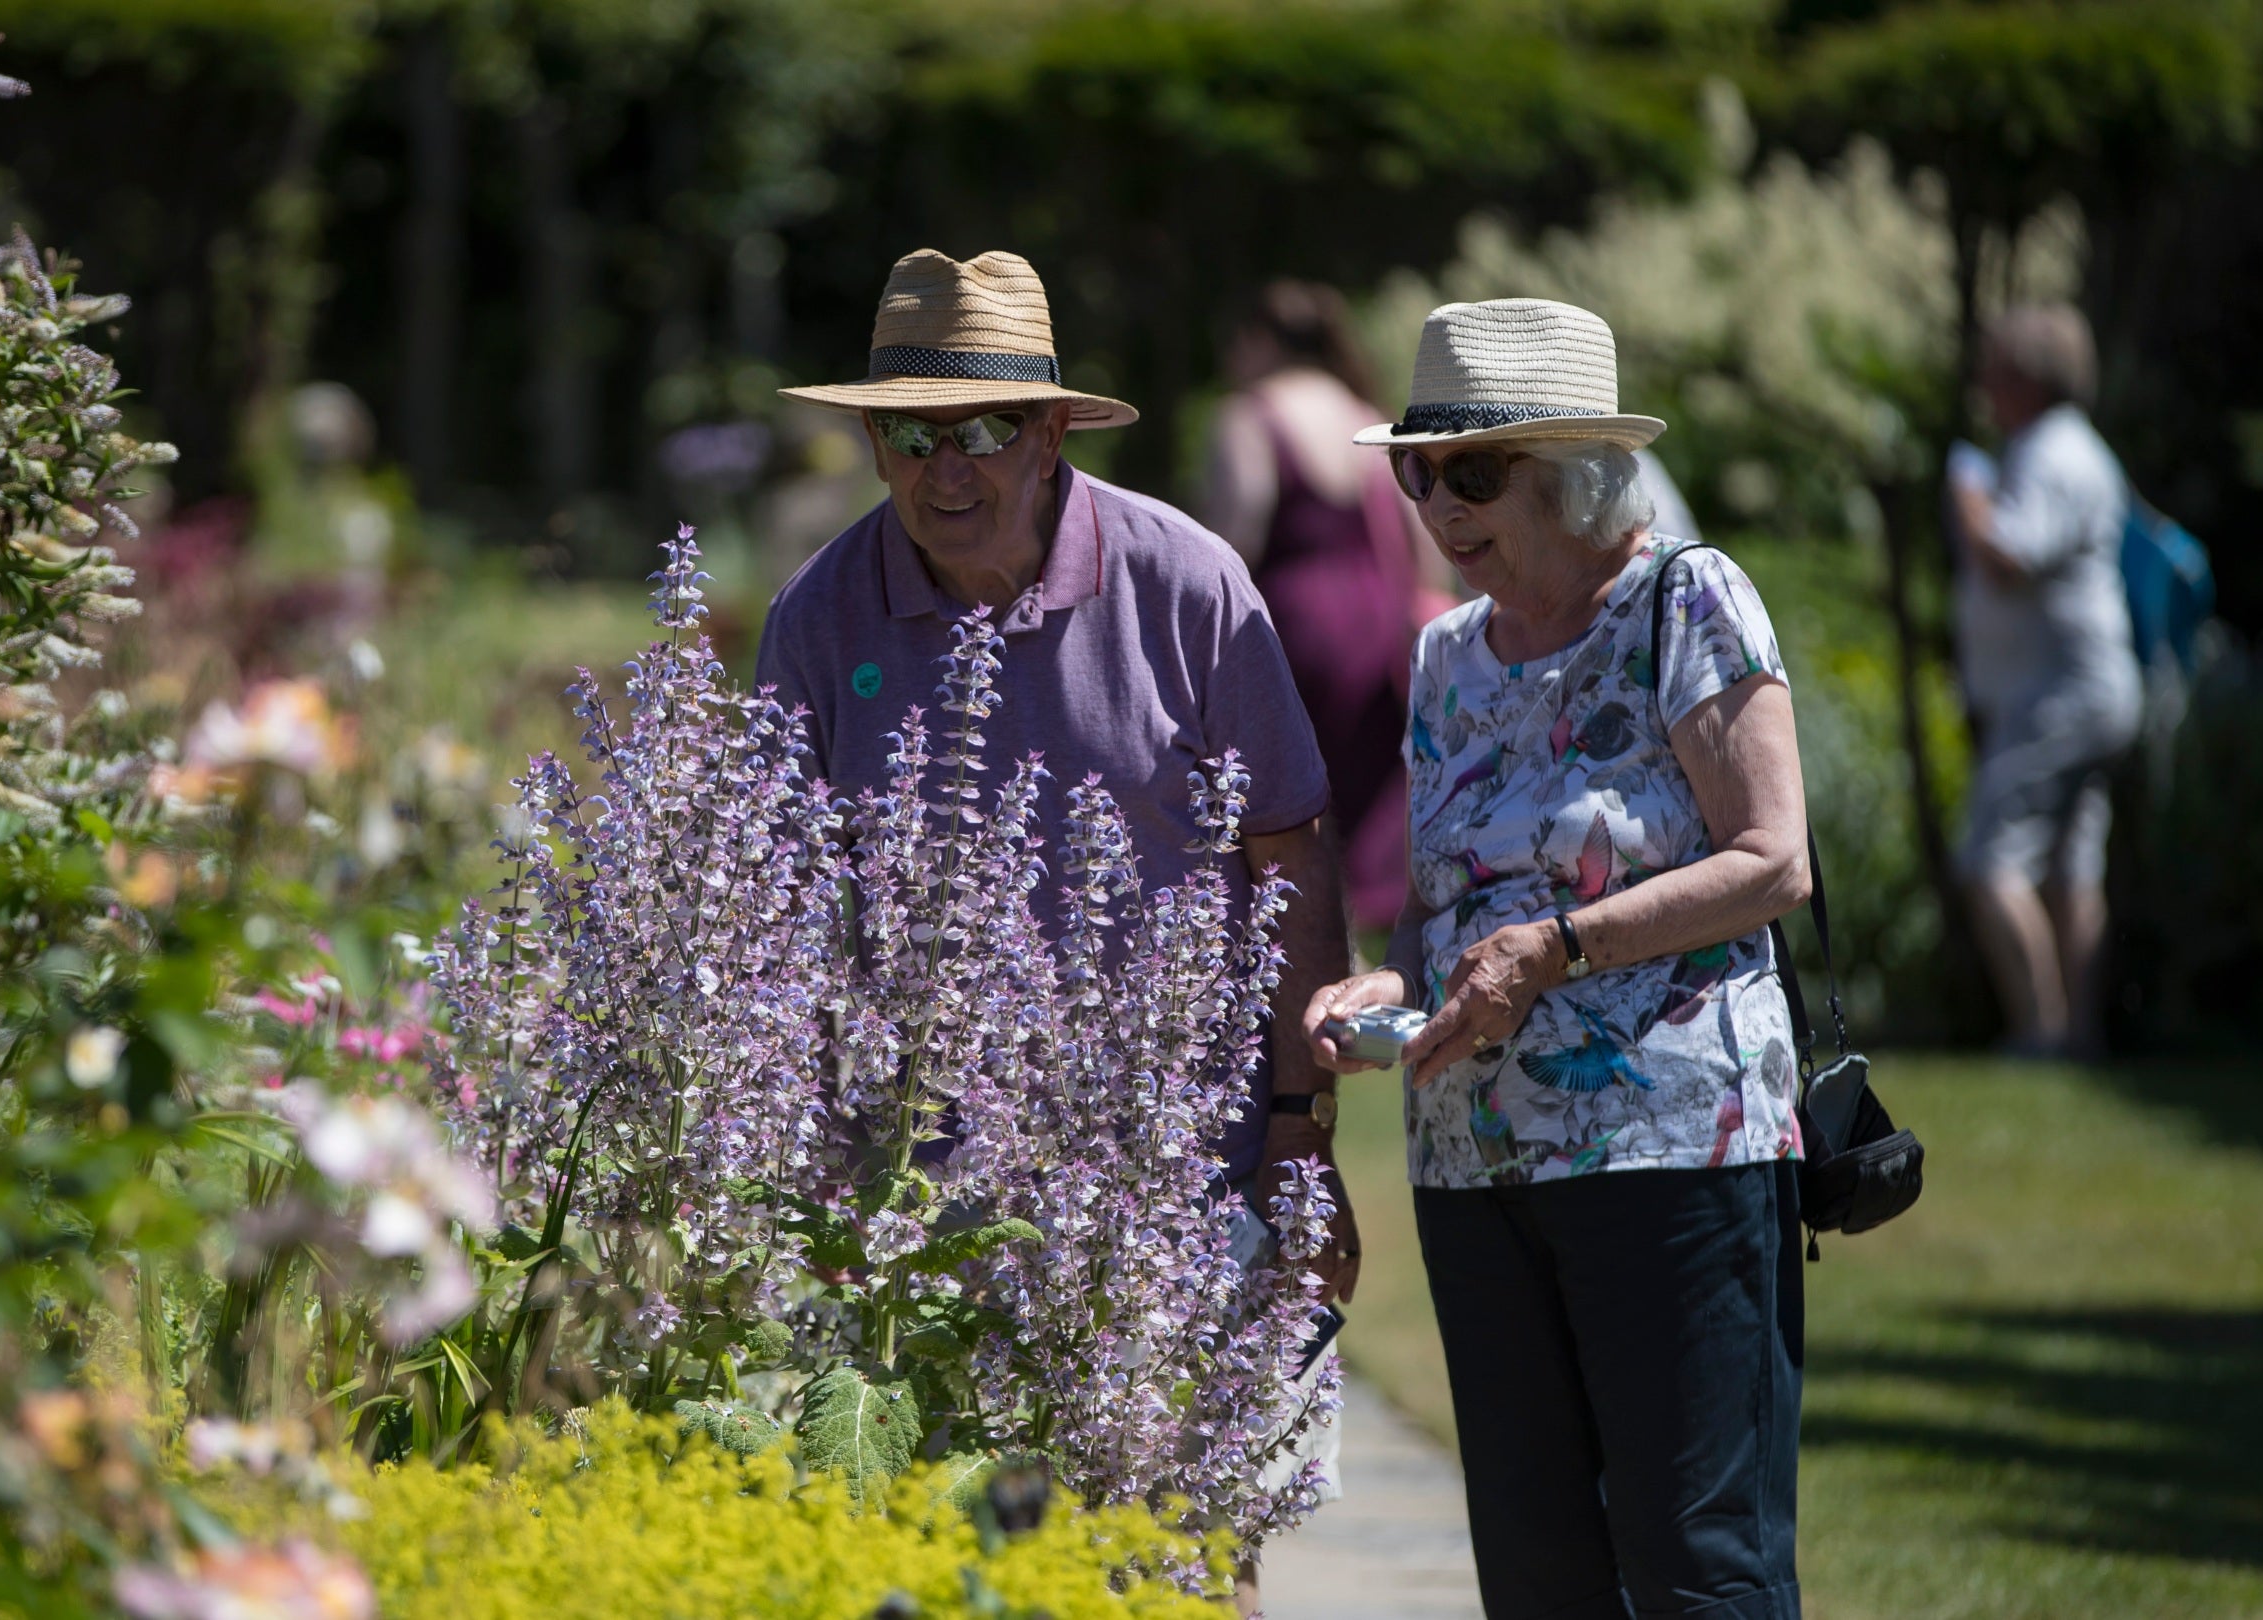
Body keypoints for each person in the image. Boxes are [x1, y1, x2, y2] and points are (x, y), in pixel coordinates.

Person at [1305, 298, 1814, 1620]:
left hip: (1670, 1150)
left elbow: (1773, 857)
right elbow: (1442, 921)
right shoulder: (1440, 658)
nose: (1437, 504)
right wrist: (1385, 987)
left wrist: (1559, 945)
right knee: (1536, 1576)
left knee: (1696, 1560)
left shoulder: (1683, 600)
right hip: (1475, 1167)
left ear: (1579, 474)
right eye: (1419, 470)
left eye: (1475, 474)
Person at [760, 250, 1360, 1299]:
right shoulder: (819, 617)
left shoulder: (1186, 582)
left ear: (1048, 434)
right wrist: (807, 1163)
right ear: (871, 441)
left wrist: (1300, 1130)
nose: (948, 469)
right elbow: (779, 904)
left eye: (986, 429)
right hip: (924, 1205)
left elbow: (1288, 847)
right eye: (911, 433)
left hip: (1177, 1176)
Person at [1204, 281, 1451, 934]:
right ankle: (1368, 936)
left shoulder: (1252, 415)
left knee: (1289, 792)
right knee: (1366, 793)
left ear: (1260, 342)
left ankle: (1302, 933)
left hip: (1293, 628)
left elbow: (1233, 537)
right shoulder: (1364, 413)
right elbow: (1421, 533)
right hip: (1379, 625)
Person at [1946, 304, 2141, 1059]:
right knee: (2068, 867)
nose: (1984, 385)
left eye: (1996, 370)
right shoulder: (2065, 449)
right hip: (2085, 690)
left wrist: (1967, 488)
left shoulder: (2053, 453)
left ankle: (2042, 1034)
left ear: (2028, 378)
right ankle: (2076, 1037)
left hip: (2062, 693)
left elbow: (2009, 555)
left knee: (1994, 860)